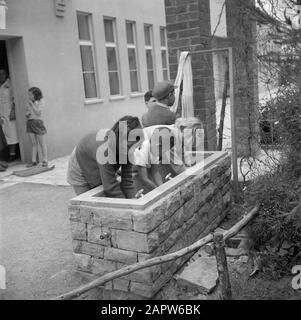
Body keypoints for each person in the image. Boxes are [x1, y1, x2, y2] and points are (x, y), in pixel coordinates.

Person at [67, 115, 143, 197]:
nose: (133, 150)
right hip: (80, 162)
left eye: (135, 146)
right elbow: (111, 189)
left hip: (96, 154)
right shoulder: (106, 151)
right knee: (87, 201)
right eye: (129, 146)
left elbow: (127, 181)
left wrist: (133, 199)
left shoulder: (128, 147)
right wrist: (128, 206)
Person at [133, 125, 185, 193]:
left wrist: (162, 187)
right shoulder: (143, 150)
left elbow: (155, 173)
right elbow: (144, 178)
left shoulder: (154, 150)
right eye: (164, 150)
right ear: (159, 145)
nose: (164, 153)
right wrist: (158, 191)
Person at [26, 87, 48, 167]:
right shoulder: (29, 102)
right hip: (30, 122)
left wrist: (32, 104)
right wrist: (27, 113)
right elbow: (28, 112)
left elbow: (38, 112)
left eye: (30, 94)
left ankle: (45, 160)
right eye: (28, 94)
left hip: (38, 122)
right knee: (34, 143)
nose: (29, 96)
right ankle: (33, 161)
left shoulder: (41, 101)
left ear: (35, 94)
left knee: (42, 143)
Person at [0, 69, 19, 162]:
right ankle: (6, 154)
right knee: (4, 135)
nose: (1, 76)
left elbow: (15, 97)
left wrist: (13, 111)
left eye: (2, 74)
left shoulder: (10, 84)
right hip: (1, 113)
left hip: (9, 112)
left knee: (12, 134)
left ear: (6, 74)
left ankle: (13, 154)